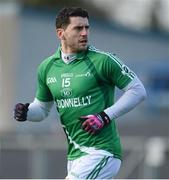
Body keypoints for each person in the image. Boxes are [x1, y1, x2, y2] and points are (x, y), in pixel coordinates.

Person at [14, 7, 146, 179]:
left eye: (87, 27)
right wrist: (27, 112)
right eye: (78, 28)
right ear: (61, 33)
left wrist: (104, 116)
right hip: (75, 156)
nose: (84, 33)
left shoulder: (103, 60)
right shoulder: (47, 67)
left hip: (102, 152)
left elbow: (138, 91)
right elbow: (42, 110)